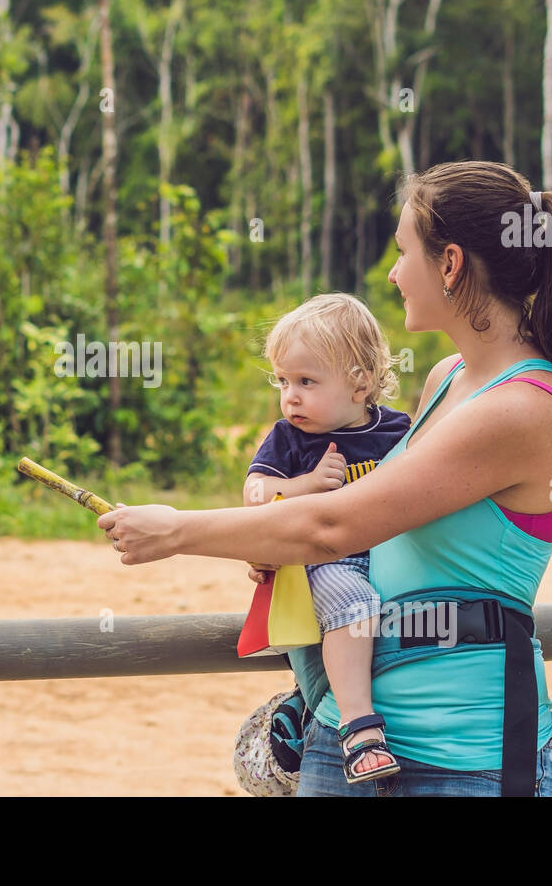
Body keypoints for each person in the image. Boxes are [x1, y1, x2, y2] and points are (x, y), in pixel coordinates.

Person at [98, 160, 552, 796]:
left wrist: (177, 531)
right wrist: (273, 545)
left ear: (450, 264)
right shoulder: (447, 378)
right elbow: (369, 528)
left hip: (459, 756)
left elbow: (333, 525)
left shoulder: (523, 407)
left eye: (403, 253)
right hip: (350, 740)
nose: (394, 274)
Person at [243, 293, 411, 783]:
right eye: (283, 381)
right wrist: (303, 487)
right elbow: (256, 493)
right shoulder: (291, 439)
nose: (289, 396)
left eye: (306, 381)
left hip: (391, 559)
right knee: (353, 605)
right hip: (324, 566)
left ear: (359, 383)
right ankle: (357, 728)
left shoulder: (398, 432)